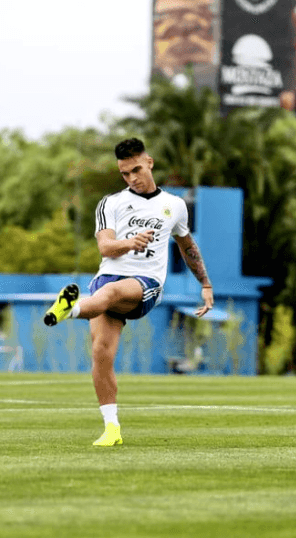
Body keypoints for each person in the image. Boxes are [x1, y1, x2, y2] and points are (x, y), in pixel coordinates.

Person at [43, 137, 214, 447]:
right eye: (125, 173)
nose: (132, 178)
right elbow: (105, 246)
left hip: (145, 282)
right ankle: (112, 429)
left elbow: (187, 246)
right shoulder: (111, 203)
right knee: (101, 353)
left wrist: (205, 284)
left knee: (108, 295)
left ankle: (70, 309)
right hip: (107, 275)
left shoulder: (174, 206)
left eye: (136, 169)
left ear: (149, 162)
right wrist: (129, 243)